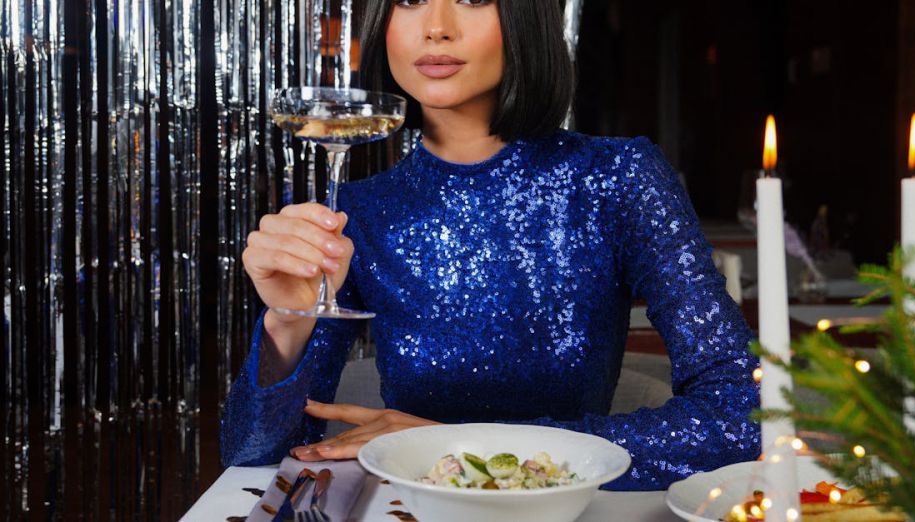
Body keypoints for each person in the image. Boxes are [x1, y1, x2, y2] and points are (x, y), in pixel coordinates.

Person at [221, 0, 760, 491]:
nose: (436, 28)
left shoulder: (619, 179)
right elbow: (254, 457)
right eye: (409, 1)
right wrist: (287, 323)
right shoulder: (357, 213)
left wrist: (462, 447)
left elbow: (743, 416)